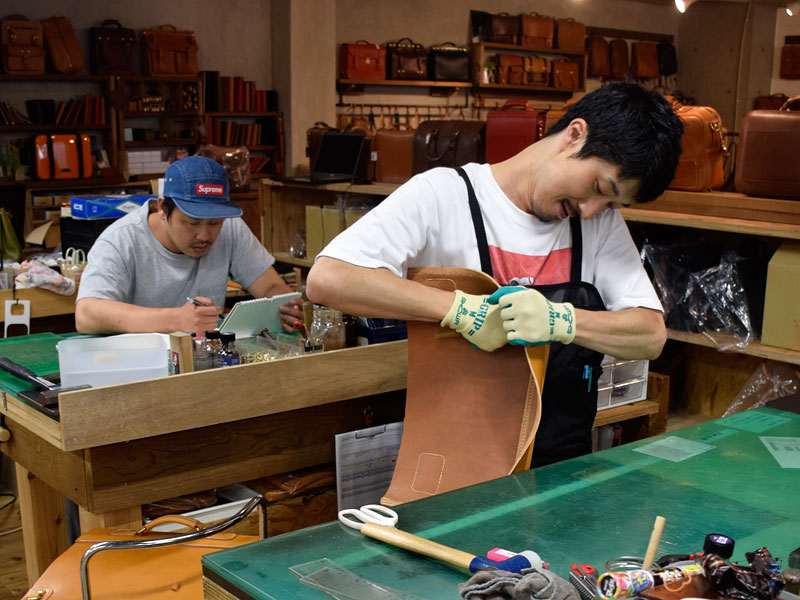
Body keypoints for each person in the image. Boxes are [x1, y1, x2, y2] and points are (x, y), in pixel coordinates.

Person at [305, 83, 683, 466]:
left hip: (562, 472)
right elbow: (330, 277)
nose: (591, 210)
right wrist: (458, 309)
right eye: (598, 187)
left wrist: (562, 320)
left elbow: (650, 336)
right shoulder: (442, 196)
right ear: (574, 135)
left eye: (611, 203)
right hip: (453, 473)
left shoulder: (599, 224)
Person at [76, 155, 303, 335]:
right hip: (139, 364)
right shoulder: (121, 239)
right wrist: (175, 320)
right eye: (192, 222)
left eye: (214, 223)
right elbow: (87, 313)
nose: (204, 235)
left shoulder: (231, 227)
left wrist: (288, 308)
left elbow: (271, 287)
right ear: (163, 208)